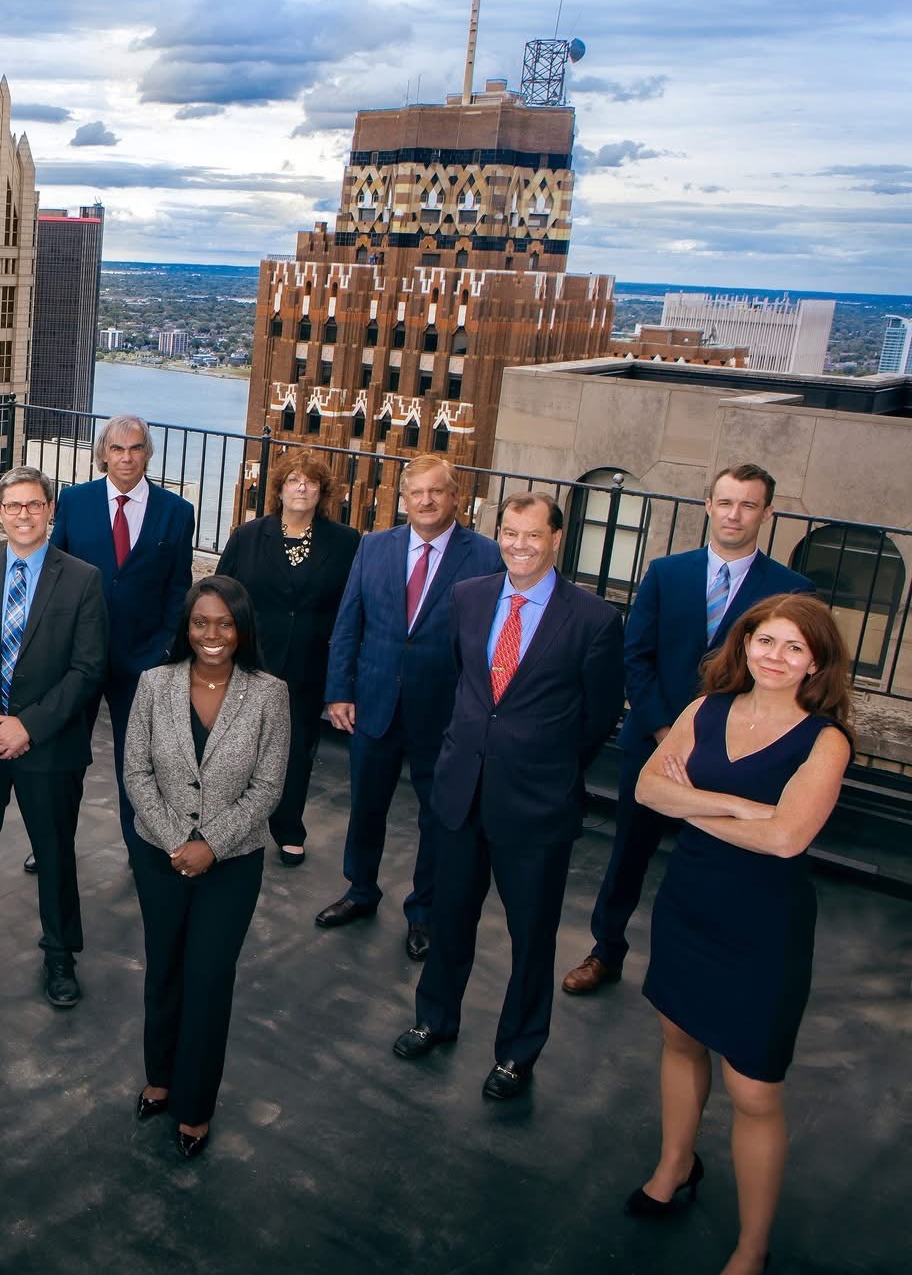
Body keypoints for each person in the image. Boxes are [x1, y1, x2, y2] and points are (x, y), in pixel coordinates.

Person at [626, 595, 852, 1275]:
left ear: (816, 662)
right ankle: (675, 1162)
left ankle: (752, 1246)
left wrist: (690, 802)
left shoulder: (825, 739)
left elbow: (785, 839)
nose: (775, 656)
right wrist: (731, 804)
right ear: (744, 642)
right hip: (690, 901)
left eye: (793, 647)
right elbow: (645, 789)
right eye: (765, 640)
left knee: (753, 1087)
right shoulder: (705, 709)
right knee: (679, 1037)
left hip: (763, 923)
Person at [393, 493, 624, 1102]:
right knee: (449, 922)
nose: (519, 545)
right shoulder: (469, 597)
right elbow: (461, 682)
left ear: (556, 540)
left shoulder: (594, 620)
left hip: (537, 804)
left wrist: (542, 761)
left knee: (531, 938)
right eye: (510, 533)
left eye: (532, 535)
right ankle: (434, 1019)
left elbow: (597, 717)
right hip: (460, 793)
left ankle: (517, 1053)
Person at [563, 463, 811, 995]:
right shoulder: (665, 572)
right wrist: (660, 734)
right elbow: (636, 654)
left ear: (768, 514)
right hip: (654, 745)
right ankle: (605, 950)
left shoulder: (791, 591)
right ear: (708, 506)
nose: (734, 514)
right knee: (629, 851)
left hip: (739, 756)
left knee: (724, 859)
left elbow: (789, 676)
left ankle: (711, 964)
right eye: (725, 502)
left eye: (747, 505)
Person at [0, 466, 109, 1008]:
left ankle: (59, 954)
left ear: (51, 511)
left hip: (49, 744)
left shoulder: (82, 579)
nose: (24, 515)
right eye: (14, 506)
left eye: (34, 505)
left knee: (54, 852)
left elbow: (87, 668)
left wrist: (28, 726)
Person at [124, 576, 290, 1159]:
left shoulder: (270, 694)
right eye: (201, 623)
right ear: (186, 627)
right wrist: (177, 842)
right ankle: (160, 1076)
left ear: (242, 628)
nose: (212, 635)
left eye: (224, 623)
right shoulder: (153, 684)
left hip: (233, 863)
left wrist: (211, 844)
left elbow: (269, 786)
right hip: (160, 856)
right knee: (164, 970)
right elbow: (136, 774)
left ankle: (195, 1107)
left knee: (209, 978)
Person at [318, 454, 502, 959]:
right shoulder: (374, 547)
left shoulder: (486, 557)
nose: (425, 501)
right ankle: (360, 890)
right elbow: (349, 622)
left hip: (444, 714)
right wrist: (340, 690)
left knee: (437, 817)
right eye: (416, 492)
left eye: (436, 492)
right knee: (366, 807)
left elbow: (487, 644)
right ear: (403, 499)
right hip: (374, 702)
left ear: (455, 496)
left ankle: (424, 911)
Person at [47, 413, 195, 861]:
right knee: (65, 758)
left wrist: (165, 649)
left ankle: (139, 846)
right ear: (103, 454)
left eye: (135, 448)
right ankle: (53, 844)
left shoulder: (177, 512)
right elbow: (56, 573)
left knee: (138, 765)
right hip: (80, 657)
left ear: (148, 453)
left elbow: (178, 589)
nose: (126, 457)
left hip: (143, 659)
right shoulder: (74, 502)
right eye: (117, 448)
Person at [214, 448, 361, 867]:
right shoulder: (247, 536)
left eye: (311, 482)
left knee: (297, 750)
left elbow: (351, 607)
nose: (302, 487)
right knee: (237, 747)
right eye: (294, 480)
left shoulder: (345, 542)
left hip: (309, 663)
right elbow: (221, 597)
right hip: (252, 660)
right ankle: (230, 825)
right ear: (278, 489)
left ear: (322, 492)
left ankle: (289, 827)